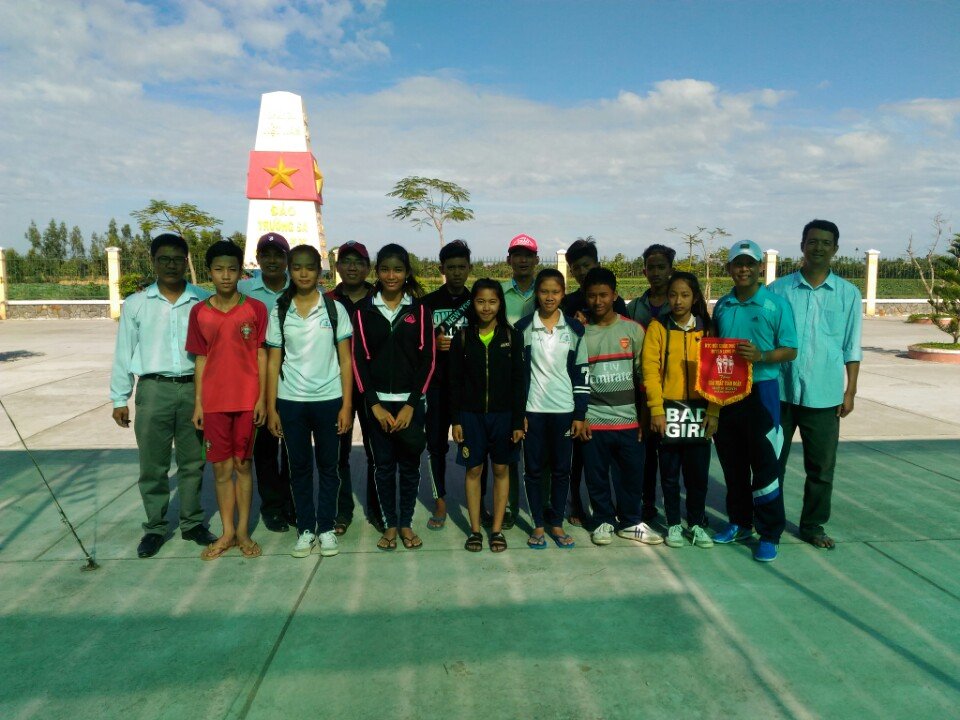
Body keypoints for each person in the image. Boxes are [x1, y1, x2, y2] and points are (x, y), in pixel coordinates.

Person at [110, 233, 218, 558]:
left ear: (187, 261)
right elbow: (124, 351)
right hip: (153, 389)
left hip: (194, 390)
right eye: (163, 259)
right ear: (153, 261)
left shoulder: (203, 301)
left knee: (193, 462)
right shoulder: (137, 303)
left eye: (177, 259)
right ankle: (155, 527)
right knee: (152, 465)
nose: (171, 265)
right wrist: (120, 398)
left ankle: (192, 523)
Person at [770, 219, 862, 550]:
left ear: (835, 249)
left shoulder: (849, 294)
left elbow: (851, 346)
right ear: (802, 245)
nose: (818, 247)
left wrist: (850, 391)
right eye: (812, 241)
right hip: (780, 393)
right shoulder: (778, 291)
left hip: (825, 395)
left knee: (821, 468)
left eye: (825, 242)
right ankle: (768, 522)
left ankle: (812, 525)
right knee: (771, 464)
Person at [266, 245, 354, 558]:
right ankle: (306, 528)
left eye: (310, 267)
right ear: (289, 269)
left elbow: (346, 360)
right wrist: (271, 407)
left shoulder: (334, 309)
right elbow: (273, 362)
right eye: (297, 267)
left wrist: (346, 405)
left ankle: (326, 527)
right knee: (299, 467)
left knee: (330, 467)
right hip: (291, 402)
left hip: (329, 400)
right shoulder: (280, 310)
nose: (303, 273)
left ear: (320, 270)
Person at [712, 239, 798, 562]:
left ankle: (770, 533)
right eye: (738, 263)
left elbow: (790, 349)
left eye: (750, 263)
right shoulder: (723, 305)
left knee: (765, 466)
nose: (744, 269)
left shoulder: (776, 305)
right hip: (727, 392)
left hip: (762, 391)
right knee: (732, 465)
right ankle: (739, 523)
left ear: (760, 267)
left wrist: (761, 355)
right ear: (730, 268)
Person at [186, 240, 269, 560]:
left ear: (240, 272)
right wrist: (199, 403)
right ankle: (227, 532)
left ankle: (244, 532)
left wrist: (262, 399)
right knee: (221, 471)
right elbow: (201, 359)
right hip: (214, 403)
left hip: (247, 401)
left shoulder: (255, 309)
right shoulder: (199, 312)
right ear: (209, 271)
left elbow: (261, 355)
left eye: (232, 269)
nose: (225, 275)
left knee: (243, 466)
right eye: (219, 269)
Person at [351, 244, 436, 551]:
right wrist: (374, 405)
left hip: (411, 405)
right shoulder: (363, 311)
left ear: (407, 273)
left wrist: (412, 404)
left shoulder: (420, 310)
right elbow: (358, 360)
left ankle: (406, 523)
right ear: (377, 272)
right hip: (378, 406)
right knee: (384, 467)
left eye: (397, 270)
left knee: (410, 467)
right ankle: (389, 524)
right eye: (385, 269)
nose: (391, 276)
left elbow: (428, 361)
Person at [580, 268, 662, 546]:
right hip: (594, 420)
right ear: (585, 297)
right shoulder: (580, 333)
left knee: (631, 476)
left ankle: (630, 522)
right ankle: (603, 520)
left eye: (604, 295)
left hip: (629, 421)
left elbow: (644, 377)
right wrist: (581, 416)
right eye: (592, 296)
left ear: (615, 295)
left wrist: (644, 415)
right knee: (597, 477)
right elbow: (576, 380)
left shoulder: (633, 330)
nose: (598, 301)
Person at [641, 271, 719, 549]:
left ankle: (696, 523)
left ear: (695, 297)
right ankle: (673, 524)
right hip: (669, 412)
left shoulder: (708, 330)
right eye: (673, 295)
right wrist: (656, 409)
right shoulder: (658, 328)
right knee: (670, 474)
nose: (678, 301)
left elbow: (718, 374)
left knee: (697, 476)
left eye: (685, 295)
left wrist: (714, 411)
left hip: (700, 413)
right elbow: (650, 370)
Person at [449, 279, 525, 552]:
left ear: (500, 304)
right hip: (471, 417)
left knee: (502, 469)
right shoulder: (462, 337)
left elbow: (519, 382)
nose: (486, 307)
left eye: (492, 301)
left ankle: (496, 529)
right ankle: (474, 530)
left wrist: (517, 420)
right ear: (473, 303)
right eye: (480, 301)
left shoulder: (511, 336)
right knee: (474, 470)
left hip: (503, 417)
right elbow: (454, 383)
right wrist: (456, 420)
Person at [516, 268, 589, 549]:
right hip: (533, 411)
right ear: (537, 293)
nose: (549, 297)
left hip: (564, 411)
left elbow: (581, 373)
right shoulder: (523, 328)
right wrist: (519, 413)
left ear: (563, 293)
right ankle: (537, 525)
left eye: (555, 292)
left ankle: (556, 523)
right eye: (544, 291)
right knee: (533, 470)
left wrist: (579, 414)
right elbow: (517, 377)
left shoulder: (575, 329)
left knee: (561, 470)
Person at [560, 238, 629, 527]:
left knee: (612, 459)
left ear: (597, 264)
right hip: (578, 388)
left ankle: (620, 508)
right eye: (575, 268)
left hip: (612, 391)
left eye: (586, 265)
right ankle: (576, 503)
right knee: (578, 454)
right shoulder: (568, 302)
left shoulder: (616, 302)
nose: (581, 271)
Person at [238, 233, 294, 533]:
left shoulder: (301, 288)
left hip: (294, 382)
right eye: (266, 254)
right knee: (265, 450)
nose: (272, 260)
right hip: (257, 384)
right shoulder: (243, 290)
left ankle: (292, 503)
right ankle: (272, 507)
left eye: (278, 255)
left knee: (294, 449)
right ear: (257, 258)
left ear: (287, 259)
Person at [326, 241, 381, 534]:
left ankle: (378, 509)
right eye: (346, 261)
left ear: (368, 268)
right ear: (337, 267)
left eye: (358, 262)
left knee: (377, 452)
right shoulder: (326, 301)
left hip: (373, 386)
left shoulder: (380, 298)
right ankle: (341, 511)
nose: (352, 267)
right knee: (338, 453)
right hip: (337, 386)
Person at [423, 240, 473, 530]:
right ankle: (439, 499)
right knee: (436, 446)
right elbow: (415, 344)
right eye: (450, 267)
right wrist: (433, 343)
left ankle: (474, 501)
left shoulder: (477, 301)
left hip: (468, 386)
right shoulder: (427, 303)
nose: (456, 272)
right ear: (441, 269)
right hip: (437, 386)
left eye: (461, 267)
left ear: (469, 268)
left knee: (473, 445)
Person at [627, 243, 676, 525]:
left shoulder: (680, 303)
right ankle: (645, 504)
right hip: (641, 391)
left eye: (661, 267)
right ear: (644, 271)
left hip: (673, 391)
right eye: (651, 267)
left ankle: (675, 511)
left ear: (670, 269)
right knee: (643, 451)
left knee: (671, 454)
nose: (656, 272)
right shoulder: (635, 307)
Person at [498, 232, 540, 527]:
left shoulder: (547, 290)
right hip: (507, 381)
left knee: (540, 452)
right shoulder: (499, 294)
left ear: (536, 259)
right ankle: (510, 508)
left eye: (528, 255)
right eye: (517, 255)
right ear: (509, 259)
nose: (523, 260)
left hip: (541, 380)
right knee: (510, 448)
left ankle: (543, 506)